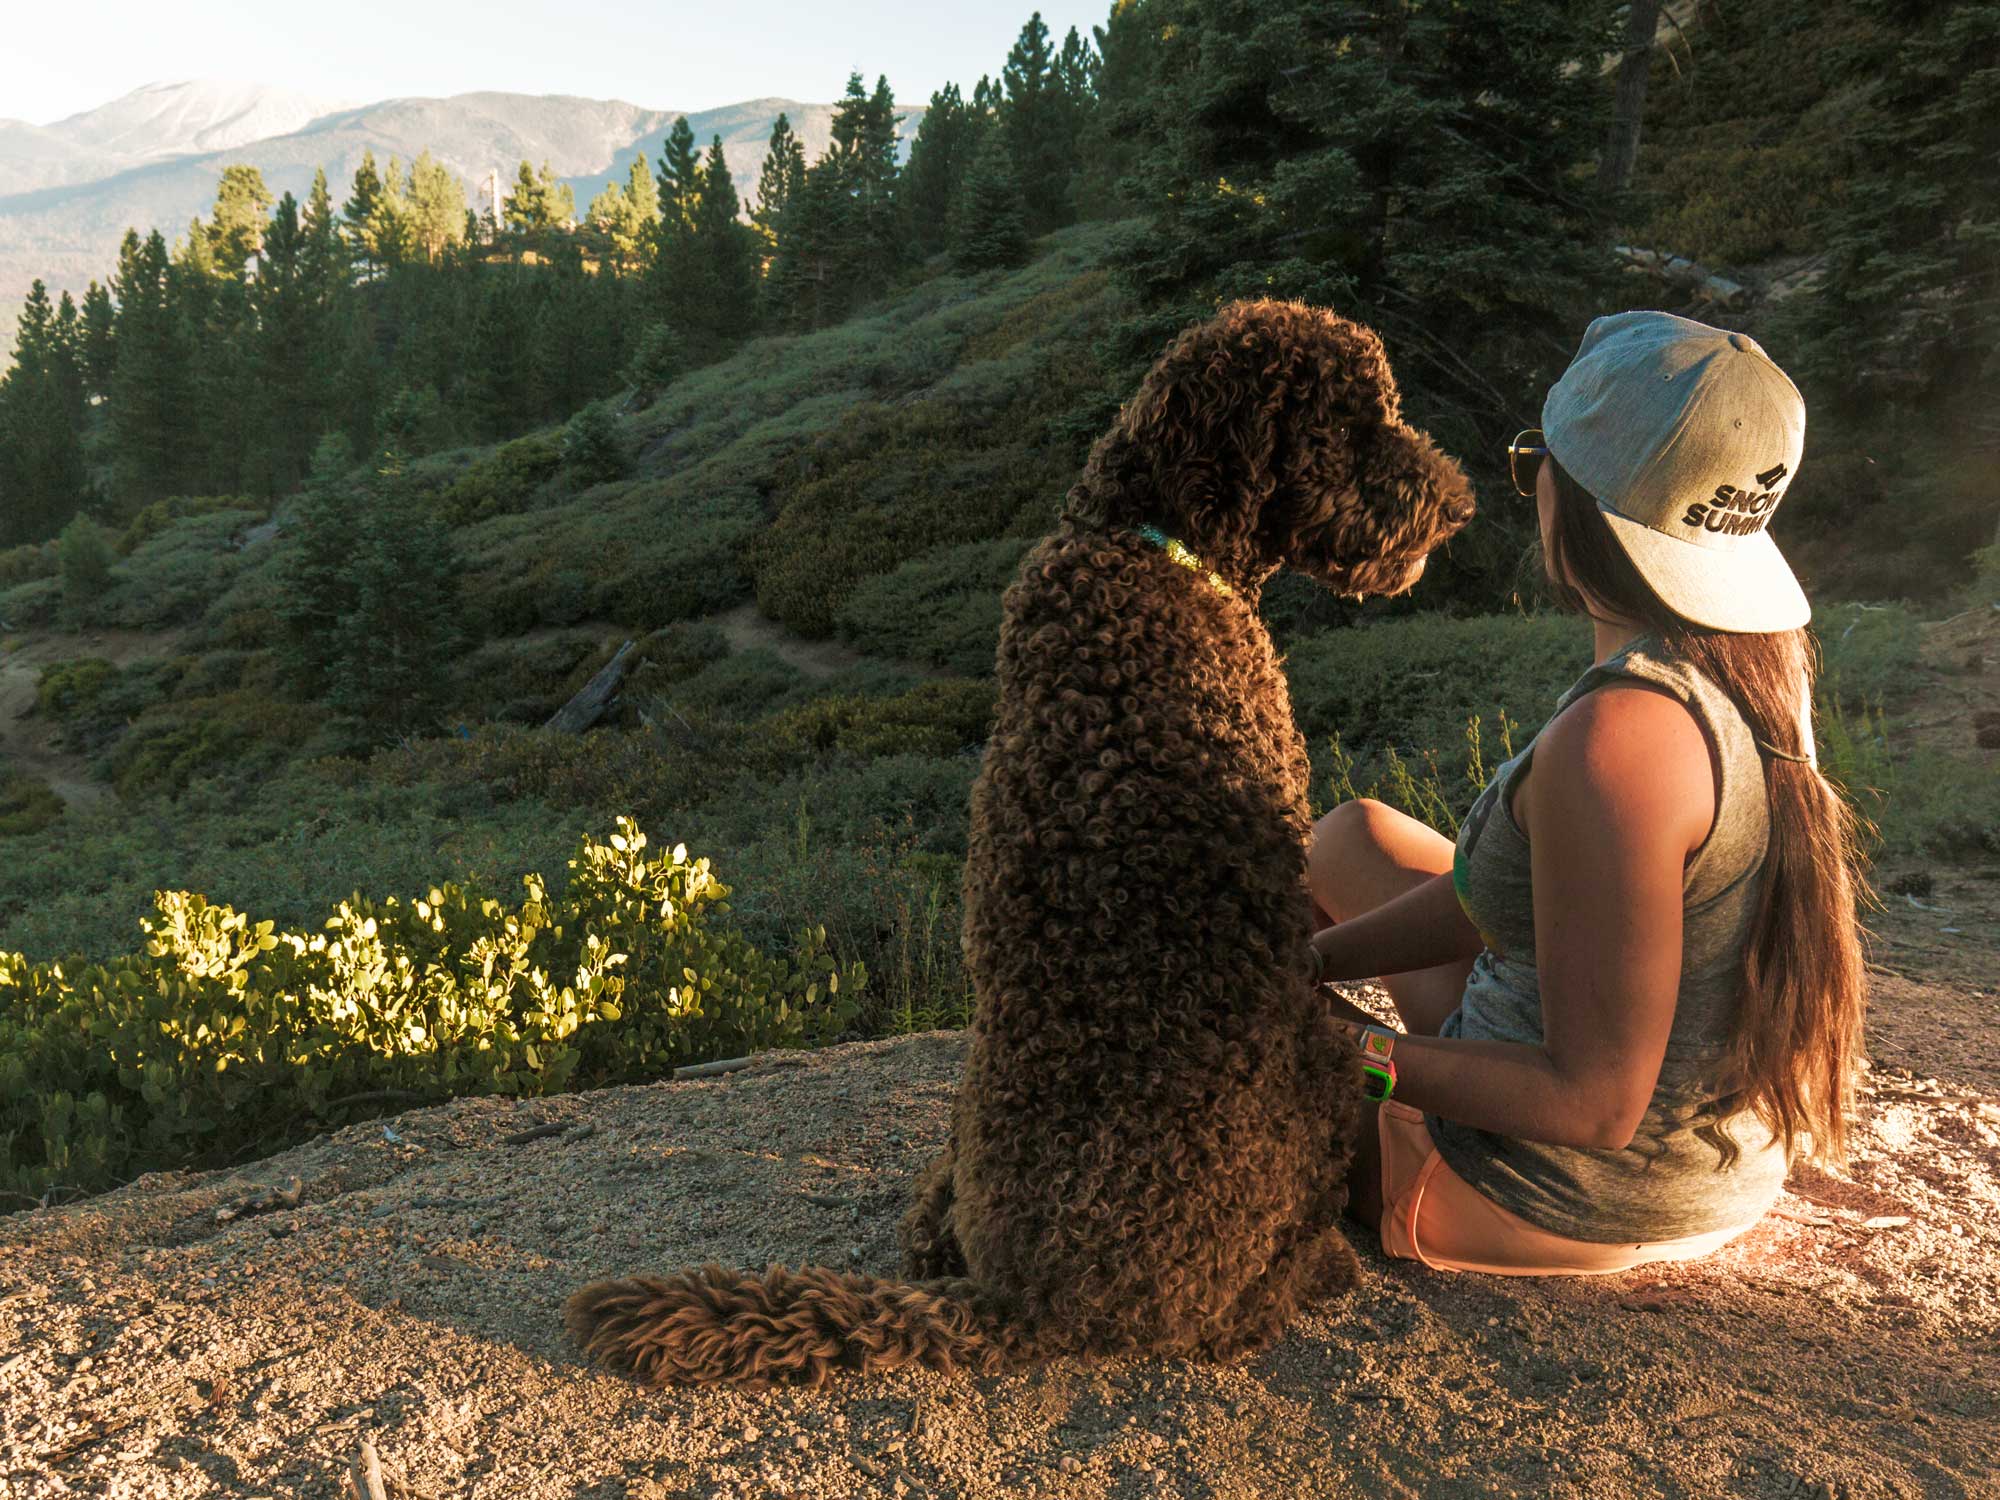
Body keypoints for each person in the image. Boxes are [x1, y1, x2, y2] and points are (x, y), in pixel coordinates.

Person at [1306, 310, 1869, 1275]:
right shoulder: (1755, 665)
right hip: (1703, 1165)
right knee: (1352, 835)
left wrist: (1330, 1051)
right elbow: (1502, 900)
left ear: (1570, 495)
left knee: (1173, 1074)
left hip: (1547, 1190)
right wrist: (1309, 961)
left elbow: (1594, 1103)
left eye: (1536, 460)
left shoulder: (1619, 742)